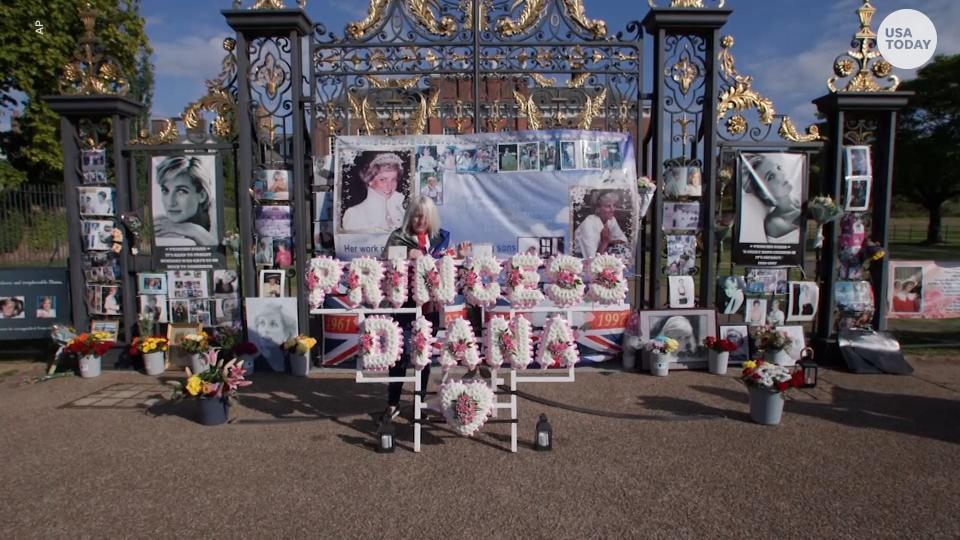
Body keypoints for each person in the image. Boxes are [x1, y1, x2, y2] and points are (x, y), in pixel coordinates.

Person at [380, 196, 472, 422]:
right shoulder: (398, 237)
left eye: (425, 216)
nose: (420, 220)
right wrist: (403, 254)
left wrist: (459, 257)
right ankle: (393, 403)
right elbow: (384, 260)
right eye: (416, 215)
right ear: (409, 216)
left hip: (430, 307)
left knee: (423, 355)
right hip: (404, 304)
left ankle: (420, 403)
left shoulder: (440, 239)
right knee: (399, 354)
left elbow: (447, 269)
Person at [154, 156, 217, 246]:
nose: (170, 202)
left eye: (181, 191)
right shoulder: (163, 224)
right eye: (165, 190)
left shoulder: (217, 214)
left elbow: (219, 252)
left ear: (202, 196)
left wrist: (192, 230)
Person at [341, 152, 406, 232]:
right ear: (370, 180)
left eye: (393, 180)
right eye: (383, 180)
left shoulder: (400, 210)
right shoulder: (354, 214)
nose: (389, 186)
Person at [743, 154, 801, 241]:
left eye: (778, 168)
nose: (781, 175)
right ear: (763, 193)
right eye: (771, 177)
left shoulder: (798, 203)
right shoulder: (774, 223)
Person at [574, 191, 628, 258]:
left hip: (600, 256)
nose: (613, 209)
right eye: (608, 206)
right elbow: (591, 260)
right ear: (598, 209)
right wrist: (605, 242)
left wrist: (609, 241)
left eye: (614, 205)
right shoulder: (589, 224)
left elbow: (623, 241)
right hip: (578, 260)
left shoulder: (610, 219)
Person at [250, 300, 297, 372]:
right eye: (262, 323)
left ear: (286, 333)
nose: (265, 330)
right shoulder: (255, 365)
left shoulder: (294, 363)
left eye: (273, 324)